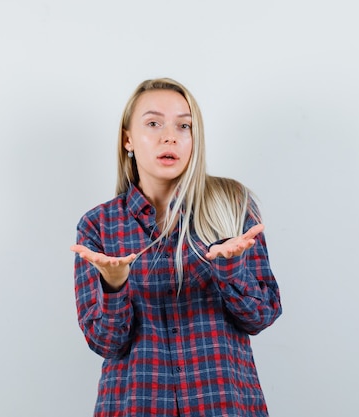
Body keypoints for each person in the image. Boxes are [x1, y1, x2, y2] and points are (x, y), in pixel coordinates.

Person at [70, 78, 282, 416]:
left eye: (184, 126)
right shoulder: (98, 226)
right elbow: (106, 343)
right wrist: (114, 284)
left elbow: (261, 316)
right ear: (128, 139)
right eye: (153, 123)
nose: (170, 136)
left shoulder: (231, 204)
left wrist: (230, 269)